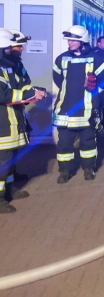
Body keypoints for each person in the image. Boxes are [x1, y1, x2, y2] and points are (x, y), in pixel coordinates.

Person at [53, 25, 104, 183]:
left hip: (87, 109)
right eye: (68, 40)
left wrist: (96, 88)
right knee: (64, 144)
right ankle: (64, 171)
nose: (69, 43)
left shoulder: (96, 58)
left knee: (88, 142)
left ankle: (88, 169)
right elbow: (58, 79)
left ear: (82, 41)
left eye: (72, 40)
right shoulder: (62, 58)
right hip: (65, 109)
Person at [0, 30, 46, 212]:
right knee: (3, 162)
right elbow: (4, 94)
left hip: (13, 119)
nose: (18, 49)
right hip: (2, 122)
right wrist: (29, 94)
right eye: (12, 46)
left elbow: (22, 84)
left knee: (11, 160)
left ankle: (9, 189)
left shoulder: (10, 65)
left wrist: (33, 92)